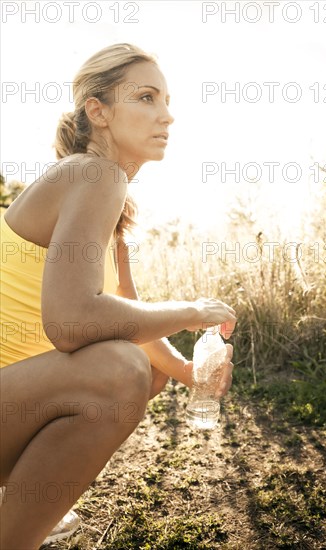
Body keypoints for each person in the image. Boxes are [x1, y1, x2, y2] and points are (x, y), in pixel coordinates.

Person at [0, 43, 236, 549]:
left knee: (139, 366)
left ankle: (20, 506)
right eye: (147, 98)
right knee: (117, 369)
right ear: (98, 112)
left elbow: (129, 318)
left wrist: (190, 374)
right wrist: (191, 311)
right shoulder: (94, 173)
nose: (167, 116)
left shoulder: (110, 207)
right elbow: (72, 321)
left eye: (167, 100)